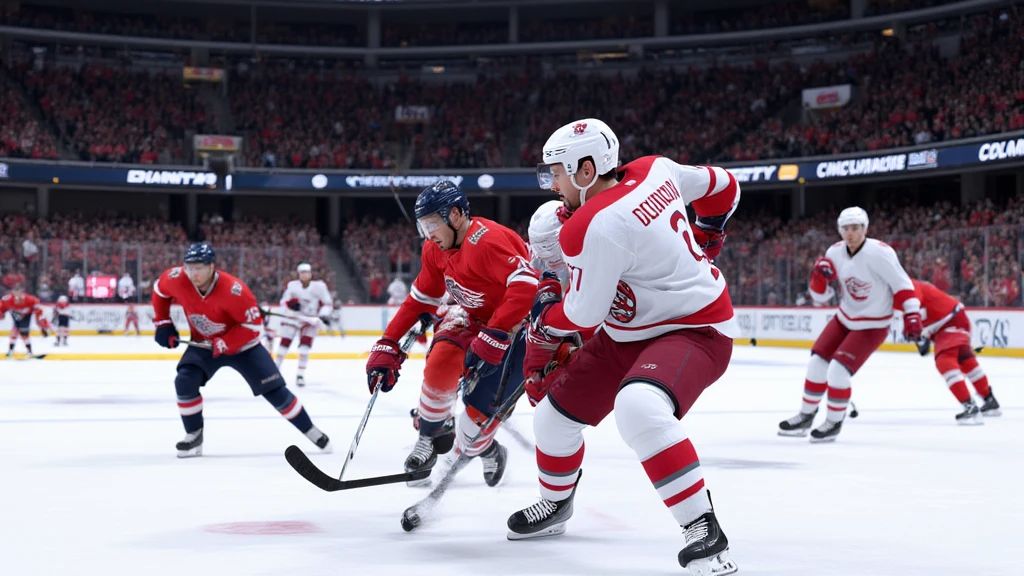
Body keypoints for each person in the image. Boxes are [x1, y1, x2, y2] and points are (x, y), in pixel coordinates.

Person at [505, 118, 741, 576]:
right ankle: (556, 504)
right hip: (628, 333)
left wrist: (543, 322)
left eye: (556, 173)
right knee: (552, 419)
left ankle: (703, 526)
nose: (552, 184)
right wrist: (709, 234)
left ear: (586, 169)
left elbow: (583, 314)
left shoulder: (591, 224)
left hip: (694, 328)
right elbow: (724, 186)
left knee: (639, 407)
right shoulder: (655, 168)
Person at [365, 180, 538, 487]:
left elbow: (526, 286)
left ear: (456, 215)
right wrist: (387, 342)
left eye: (432, 224)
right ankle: (428, 439)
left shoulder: (487, 240)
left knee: (477, 419)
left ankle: (488, 449)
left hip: (515, 326)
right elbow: (420, 299)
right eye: (423, 226)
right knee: (440, 362)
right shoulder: (434, 248)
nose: (428, 234)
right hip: (472, 316)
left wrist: (496, 332)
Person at [151, 243, 331, 458]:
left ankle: (310, 430)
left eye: (199, 268)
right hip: (204, 343)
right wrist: (163, 322)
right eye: (190, 267)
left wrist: (224, 343)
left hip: (245, 347)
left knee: (275, 391)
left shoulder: (234, 290)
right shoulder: (176, 278)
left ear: (212, 267)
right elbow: (159, 291)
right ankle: (194, 435)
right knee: (184, 380)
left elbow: (254, 328)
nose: (193, 273)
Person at [778, 207, 922, 442]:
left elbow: (902, 284)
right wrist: (818, 277)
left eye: (855, 228)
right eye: (846, 228)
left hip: (873, 324)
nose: (851, 233)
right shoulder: (834, 252)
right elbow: (821, 298)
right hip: (845, 317)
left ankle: (834, 422)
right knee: (816, 363)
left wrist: (912, 314)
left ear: (865, 228)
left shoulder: (880, 253)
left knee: (838, 370)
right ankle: (806, 415)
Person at [912, 278, 1000, 423]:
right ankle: (990, 401)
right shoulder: (908, 287)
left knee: (944, 360)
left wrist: (919, 335)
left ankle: (970, 407)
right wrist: (920, 336)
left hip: (949, 322)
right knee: (965, 360)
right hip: (955, 318)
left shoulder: (908, 287)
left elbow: (915, 310)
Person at [274, 263, 333, 387]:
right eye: (302, 273)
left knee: (304, 349)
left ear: (310, 273)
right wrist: (290, 306)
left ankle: (300, 375)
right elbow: (283, 302)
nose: (305, 275)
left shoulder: (319, 287)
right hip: (294, 319)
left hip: (310, 320)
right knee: (283, 347)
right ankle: (274, 373)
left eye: (307, 272)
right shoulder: (292, 286)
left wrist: (323, 315)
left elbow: (328, 303)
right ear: (299, 274)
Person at [1, 285, 50, 358]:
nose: (17, 295)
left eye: (19, 292)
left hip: (26, 316)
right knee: (14, 332)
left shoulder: (31, 300)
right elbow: (2, 308)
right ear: (12, 292)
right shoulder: (7, 300)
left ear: (22, 292)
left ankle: (29, 352)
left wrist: (42, 326)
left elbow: (38, 312)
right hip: (15, 316)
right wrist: (1, 313)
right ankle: (10, 351)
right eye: (15, 292)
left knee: (24, 334)